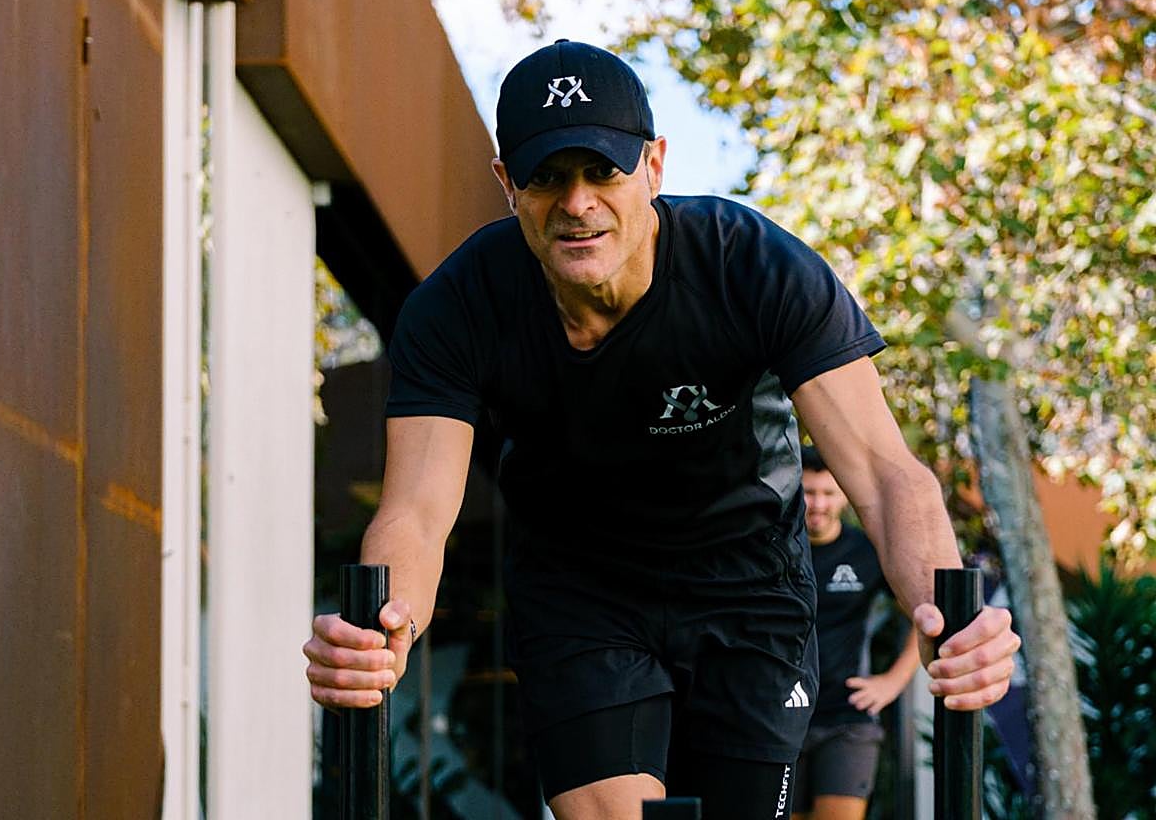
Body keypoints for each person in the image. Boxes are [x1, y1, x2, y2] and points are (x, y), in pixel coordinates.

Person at [303, 40, 1019, 820]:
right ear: (508, 184)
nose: (576, 202)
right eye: (546, 176)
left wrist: (942, 617)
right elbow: (415, 512)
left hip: (748, 585)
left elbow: (885, 474)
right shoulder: (458, 308)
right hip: (582, 593)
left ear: (654, 165)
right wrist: (388, 633)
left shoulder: (754, 267)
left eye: (601, 171)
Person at [792, 446, 920, 820]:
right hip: (781, 715)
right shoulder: (776, 550)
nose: (817, 504)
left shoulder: (866, 551)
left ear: (844, 494)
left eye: (828, 493)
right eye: (808, 493)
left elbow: (923, 615)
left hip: (847, 718)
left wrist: (894, 682)